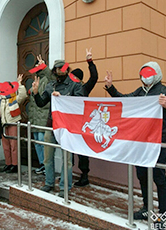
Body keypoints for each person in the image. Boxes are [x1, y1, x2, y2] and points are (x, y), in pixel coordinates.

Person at [104, 61, 166, 225]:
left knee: (159, 179)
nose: (145, 78)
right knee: (142, 176)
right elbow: (124, 100)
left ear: (157, 74)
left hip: (157, 144)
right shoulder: (140, 92)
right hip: (140, 144)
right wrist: (111, 88)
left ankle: (163, 217)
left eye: (149, 74)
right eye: (143, 74)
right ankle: (146, 209)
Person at [32, 59, 84, 198]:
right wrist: (36, 93)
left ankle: (65, 187)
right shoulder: (50, 85)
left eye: (63, 68)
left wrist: (63, 98)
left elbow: (80, 103)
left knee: (67, 160)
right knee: (48, 158)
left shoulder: (75, 85)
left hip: (67, 127)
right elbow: (41, 103)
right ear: (54, 71)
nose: (61, 70)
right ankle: (49, 183)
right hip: (51, 125)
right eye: (58, 68)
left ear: (67, 69)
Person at [71, 48, 98, 187]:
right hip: (70, 124)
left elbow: (94, 78)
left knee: (82, 151)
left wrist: (90, 61)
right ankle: (68, 173)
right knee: (69, 149)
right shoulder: (67, 88)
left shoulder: (84, 88)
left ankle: (84, 175)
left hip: (82, 124)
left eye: (73, 77)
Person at [27, 55, 54, 175]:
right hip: (34, 117)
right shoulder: (35, 80)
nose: (37, 67)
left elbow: (51, 76)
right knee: (37, 142)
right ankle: (42, 165)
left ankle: (47, 165)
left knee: (43, 143)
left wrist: (44, 66)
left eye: (39, 66)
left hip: (43, 116)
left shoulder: (47, 79)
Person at [0, 74, 27, 173]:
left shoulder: (14, 98)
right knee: (6, 146)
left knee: (14, 145)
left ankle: (15, 165)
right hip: (4, 124)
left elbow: (23, 95)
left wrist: (19, 84)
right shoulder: (1, 100)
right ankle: (8, 163)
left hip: (13, 123)